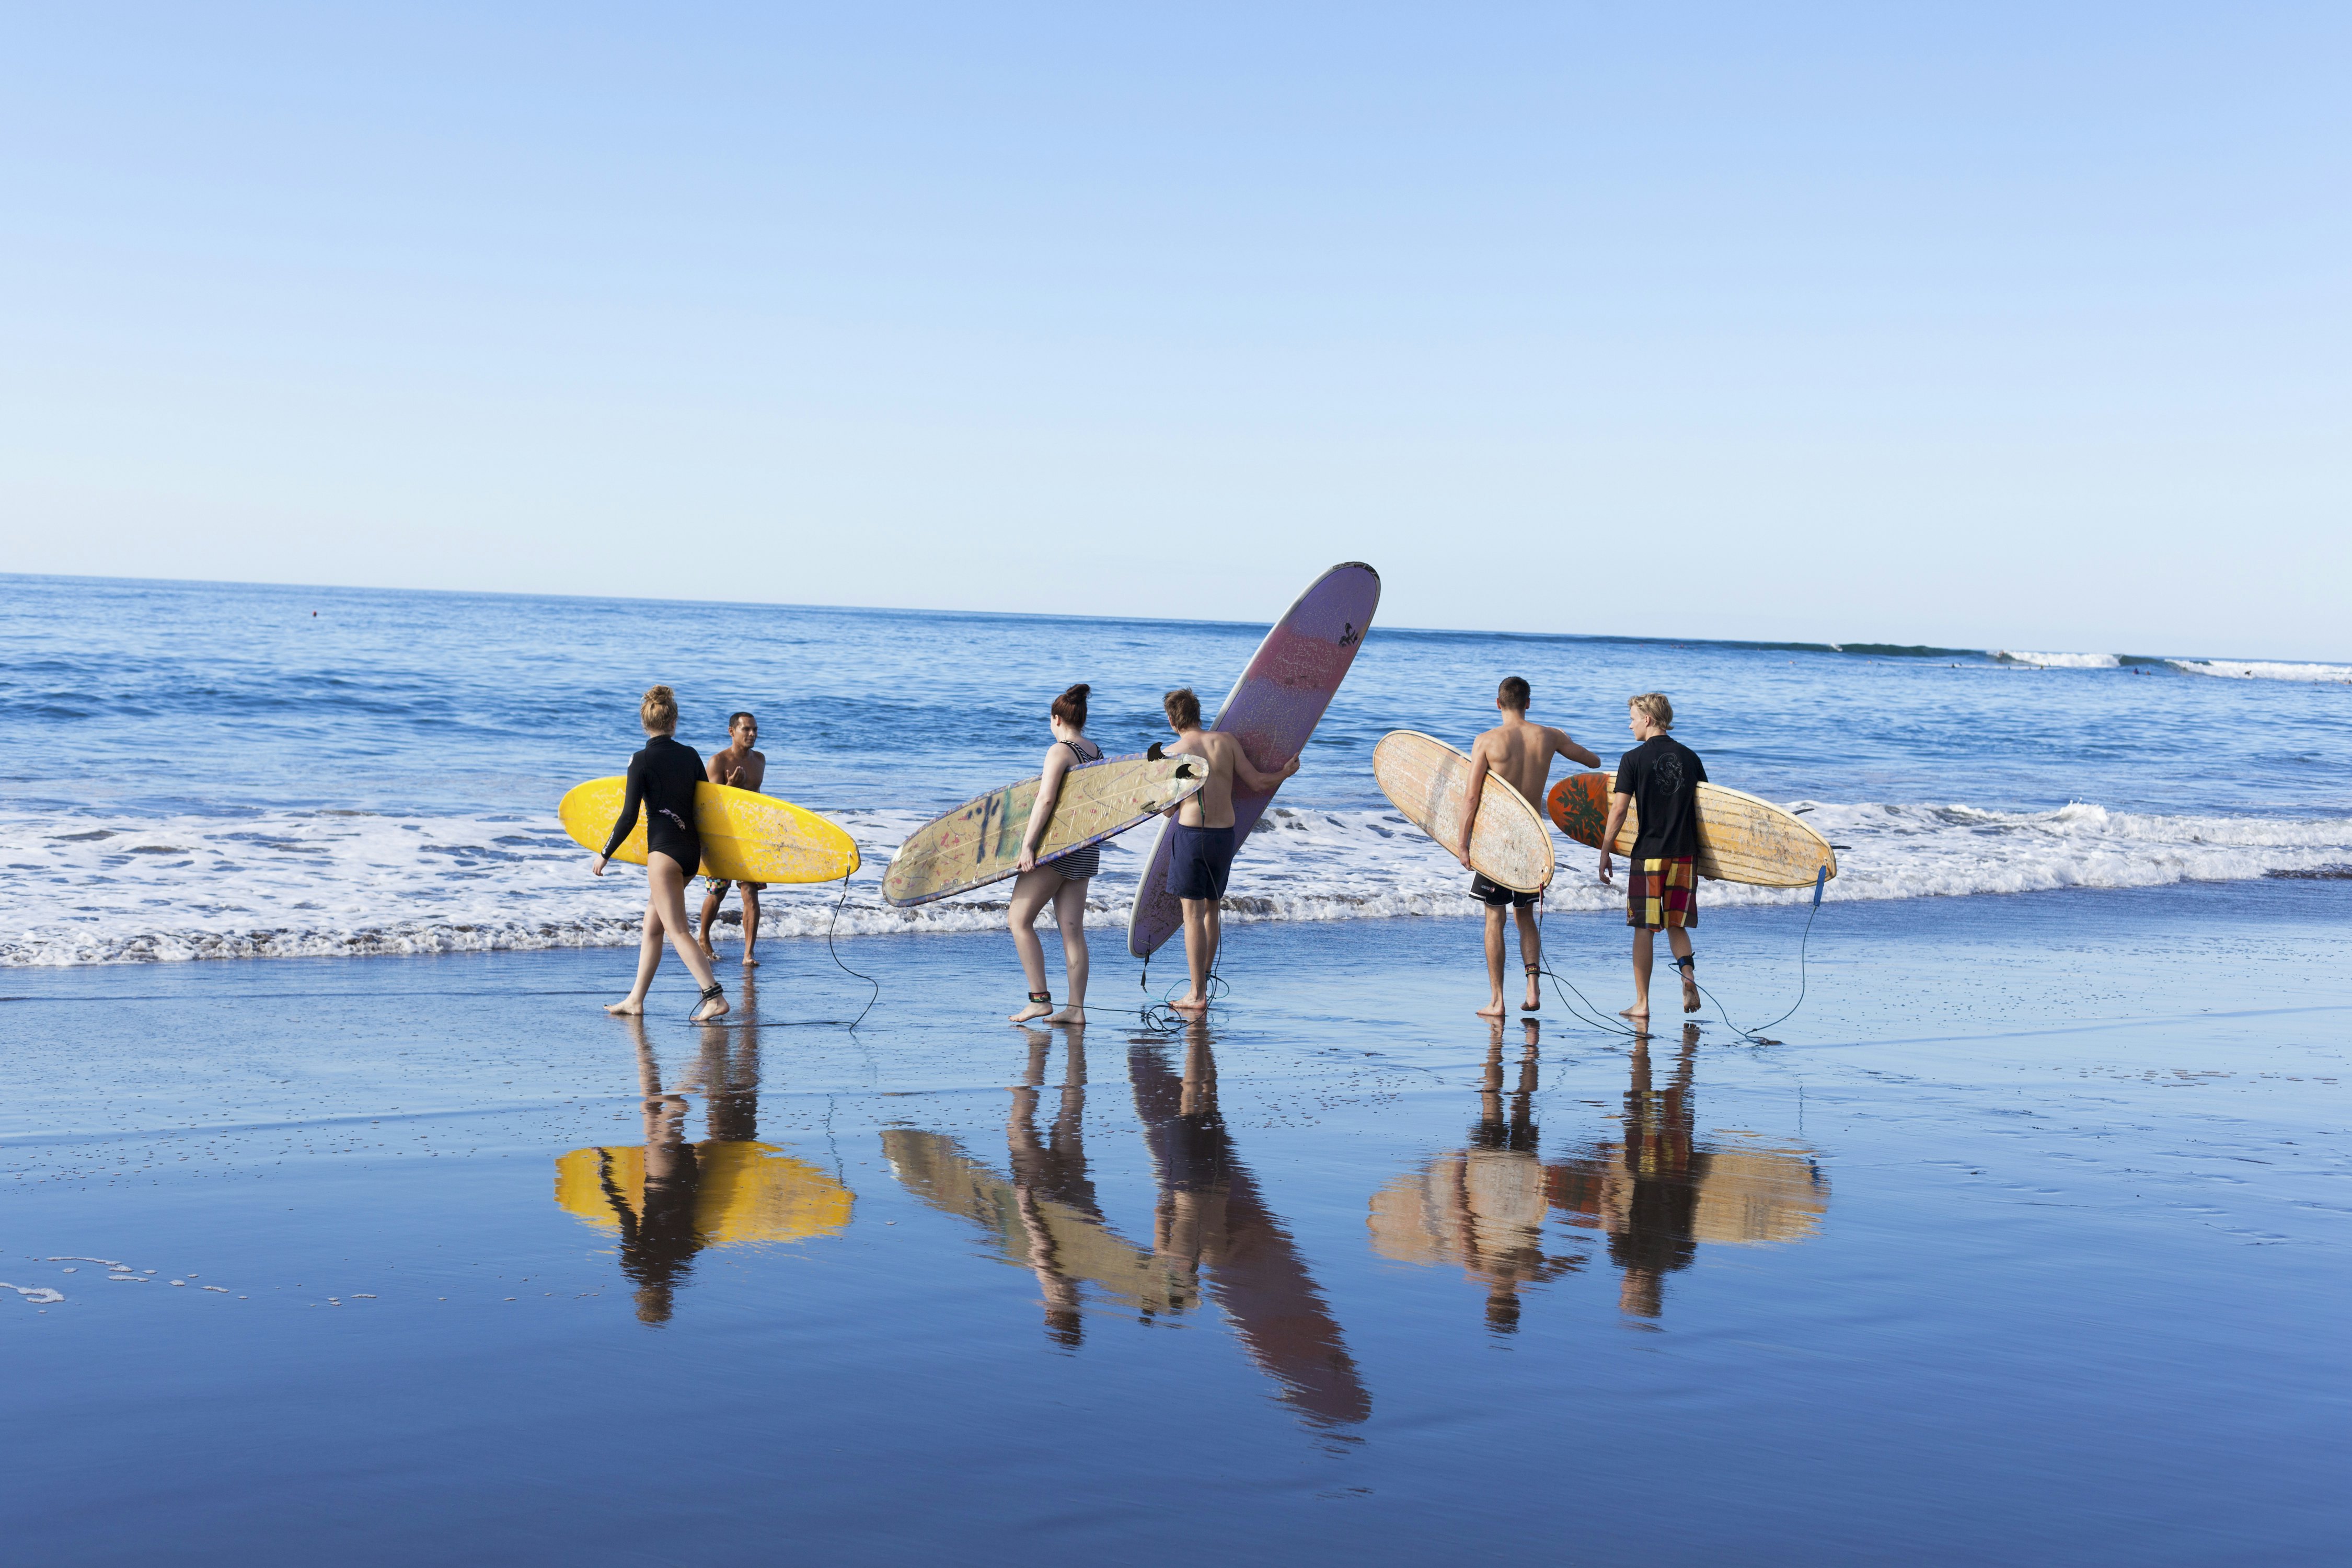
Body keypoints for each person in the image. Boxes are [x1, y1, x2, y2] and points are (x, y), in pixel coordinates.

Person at [1450, 676, 1600, 1018]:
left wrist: (1463, 844)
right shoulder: (1549, 736)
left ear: (1498, 703)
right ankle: (1533, 990)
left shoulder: (1487, 741)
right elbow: (1593, 763)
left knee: (1494, 918)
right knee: (1526, 916)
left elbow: (1471, 797)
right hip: (1533, 842)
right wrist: (1561, 740)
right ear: (1528, 703)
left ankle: (1498, 1000)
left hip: (1498, 843)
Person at [1158, 687, 1299, 1016]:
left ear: (1171, 720)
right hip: (1225, 837)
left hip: (1193, 837)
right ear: (1198, 713)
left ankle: (1196, 994)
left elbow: (1167, 811)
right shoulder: (1227, 742)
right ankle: (1202, 983)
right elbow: (1259, 783)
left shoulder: (1173, 753)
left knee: (1191, 916)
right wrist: (1286, 772)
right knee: (1211, 910)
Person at [593, 684, 730, 1022]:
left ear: (644, 723)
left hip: (664, 856)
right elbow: (707, 807)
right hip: (689, 855)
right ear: (674, 721)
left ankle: (713, 997)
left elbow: (628, 815)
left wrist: (605, 853)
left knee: (677, 930)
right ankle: (635, 999)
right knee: (653, 927)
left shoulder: (641, 761)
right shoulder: (691, 755)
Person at [1596, 691, 1706, 1021]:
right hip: (1685, 856)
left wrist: (1605, 849)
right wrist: (1711, 862)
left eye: (1632, 719)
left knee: (1644, 928)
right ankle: (1687, 976)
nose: (1630, 725)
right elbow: (1707, 814)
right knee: (1676, 923)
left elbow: (1618, 810)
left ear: (1647, 719)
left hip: (1649, 856)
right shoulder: (1691, 758)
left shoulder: (1632, 759)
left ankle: (1642, 1003)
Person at [1008, 683, 1102, 1025]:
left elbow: (1046, 800)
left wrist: (1028, 846)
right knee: (1073, 931)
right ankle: (1076, 1010)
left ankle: (1039, 1000)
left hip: (1058, 850)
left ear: (1057, 719)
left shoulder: (1059, 751)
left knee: (1018, 921)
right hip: (1085, 848)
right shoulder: (1095, 751)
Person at [695, 710, 767, 969]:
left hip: (750, 835)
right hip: (723, 837)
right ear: (732, 731)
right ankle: (703, 937)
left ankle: (748, 953)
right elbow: (708, 805)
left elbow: (759, 800)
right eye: (746, 729)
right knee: (718, 892)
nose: (752, 734)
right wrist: (730, 788)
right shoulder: (717, 762)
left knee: (751, 893)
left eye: (755, 729)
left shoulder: (760, 760)